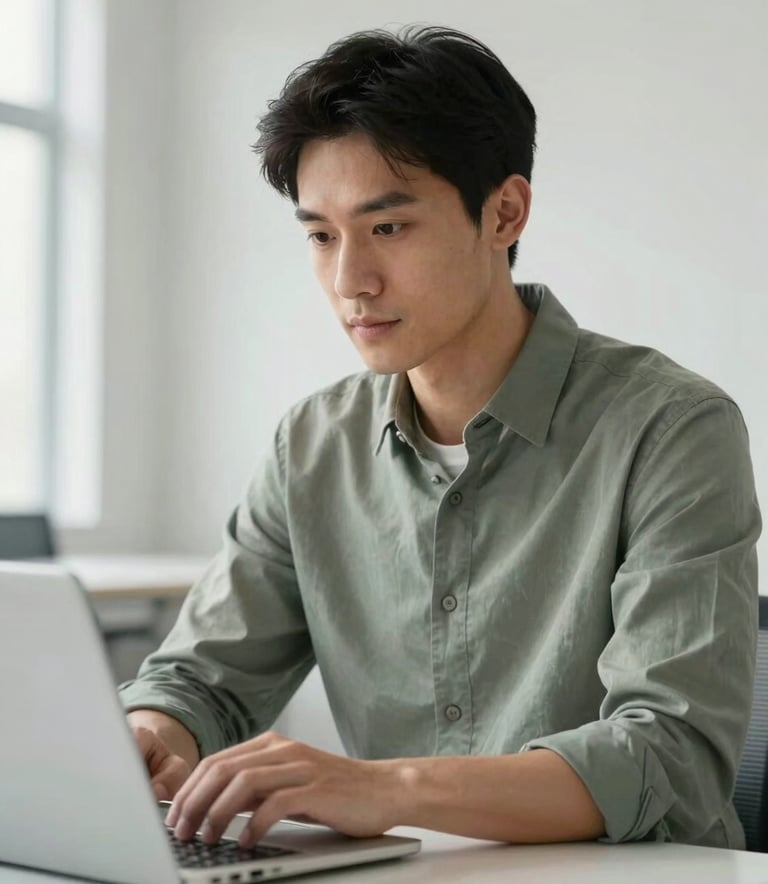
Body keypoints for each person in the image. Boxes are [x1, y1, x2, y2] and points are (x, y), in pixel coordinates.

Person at [119, 25, 761, 851]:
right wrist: (151, 736)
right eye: (321, 235)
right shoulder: (313, 444)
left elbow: (667, 755)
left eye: (387, 228)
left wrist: (385, 788)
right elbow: (200, 678)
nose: (350, 280)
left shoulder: (671, 429)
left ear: (504, 212)